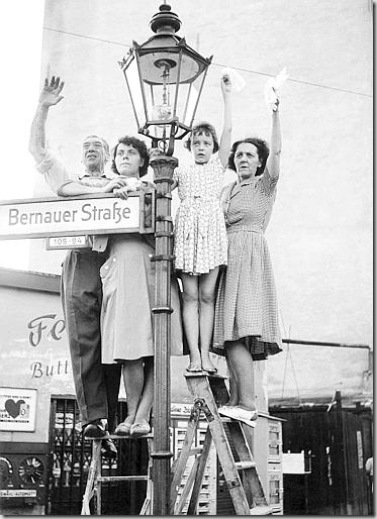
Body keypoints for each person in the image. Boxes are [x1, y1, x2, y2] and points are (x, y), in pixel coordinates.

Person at [59, 135, 184, 437]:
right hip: (118, 273)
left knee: (155, 347)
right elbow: (64, 189)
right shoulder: (108, 190)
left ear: (142, 161)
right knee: (127, 348)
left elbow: (164, 235)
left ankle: (143, 415)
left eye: (131, 152)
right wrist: (106, 193)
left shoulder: (154, 191)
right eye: (120, 153)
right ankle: (130, 415)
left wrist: (139, 211)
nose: (125, 157)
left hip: (150, 269)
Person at [29, 76, 125, 456]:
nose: (90, 151)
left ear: (108, 154)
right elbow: (37, 151)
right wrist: (44, 107)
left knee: (116, 339)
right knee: (83, 335)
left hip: (114, 258)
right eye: (85, 146)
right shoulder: (70, 178)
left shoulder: (120, 181)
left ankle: (109, 418)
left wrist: (110, 189)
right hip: (82, 256)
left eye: (97, 147)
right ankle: (91, 417)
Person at [212, 92, 283, 425]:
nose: (242, 158)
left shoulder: (264, 186)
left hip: (250, 260)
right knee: (228, 335)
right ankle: (240, 401)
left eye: (249, 154)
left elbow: (278, 151)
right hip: (225, 261)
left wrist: (274, 113)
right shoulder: (227, 190)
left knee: (240, 332)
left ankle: (248, 402)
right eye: (238, 154)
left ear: (259, 161)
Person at [172, 74, 232, 374]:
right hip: (187, 230)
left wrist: (227, 96)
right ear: (190, 146)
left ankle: (206, 355)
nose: (201, 147)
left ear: (213, 147)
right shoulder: (181, 172)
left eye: (206, 142)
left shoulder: (218, 167)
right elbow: (158, 187)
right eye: (196, 142)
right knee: (190, 296)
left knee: (207, 296)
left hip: (211, 231)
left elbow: (229, 129)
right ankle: (194, 355)